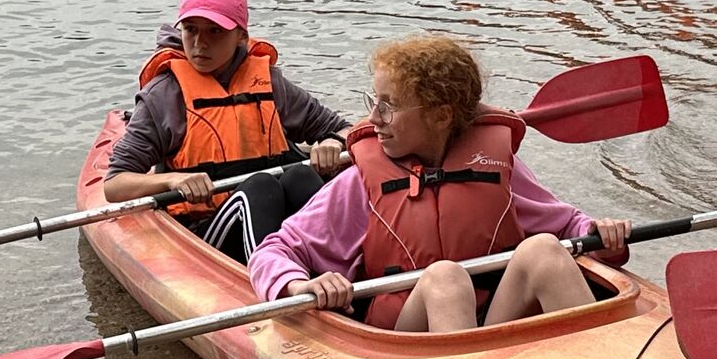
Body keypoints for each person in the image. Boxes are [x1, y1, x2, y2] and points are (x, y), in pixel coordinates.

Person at [248, 36, 631, 332]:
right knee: (445, 278)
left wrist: (599, 235)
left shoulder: (495, 165)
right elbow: (273, 251)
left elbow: (567, 227)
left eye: (389, 106)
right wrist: (298, 285)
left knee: (544, 249)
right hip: (411, 341)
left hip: (489, 323)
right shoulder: (360, 182)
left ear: (441, 116)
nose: (373, 118)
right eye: (374, 101)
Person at [102, 0, 350, 261]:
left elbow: (345, 130)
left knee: (300, 176)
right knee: (260, 186)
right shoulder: (164, 96)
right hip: (205, 228)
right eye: (190, 29)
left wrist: (333, 142)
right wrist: (172, 180)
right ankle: (274, 275)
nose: (200, 43)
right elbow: (115, 185)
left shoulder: (269, 83)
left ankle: (342, 266)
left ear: (241, 36)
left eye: (215, 31)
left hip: (276, 222)